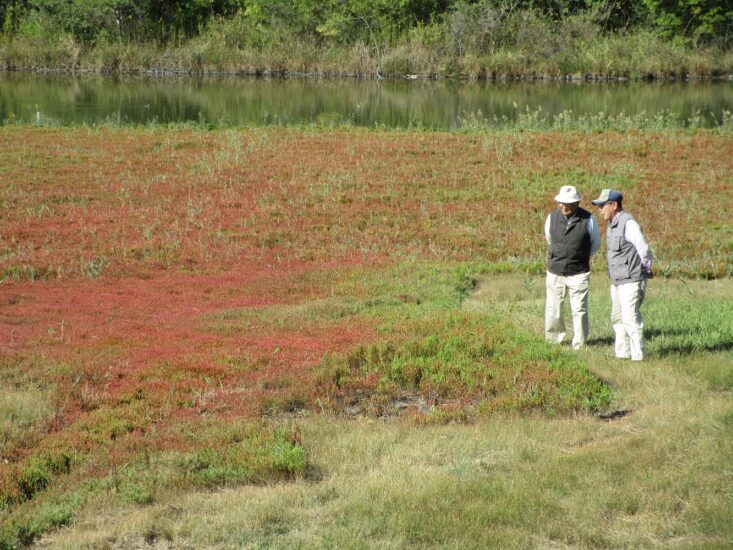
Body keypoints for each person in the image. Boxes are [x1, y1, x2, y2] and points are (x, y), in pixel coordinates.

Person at [592, 189, 653, 361]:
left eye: (603, 206)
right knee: (617, 319)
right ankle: (622, 355)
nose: (600, 210)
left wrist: (646, 270)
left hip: (632, 280)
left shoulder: (629, 223)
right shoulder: (611, 225)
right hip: (617, 281)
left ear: (614, 205)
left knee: (630, 319)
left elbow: (644, 249)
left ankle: (638, 357)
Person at [544, 185, 601, 350]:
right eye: (561, 202)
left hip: (579, 273)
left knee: (579, 310)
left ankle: (580, 344)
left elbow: (595, 244)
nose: (563, 206)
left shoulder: (589, 220)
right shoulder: (551, 218)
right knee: (553, 309)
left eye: (567, 203)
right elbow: (550, 239)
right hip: (555, 271)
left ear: (577, 203)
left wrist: (579, 257)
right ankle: (554, 341)